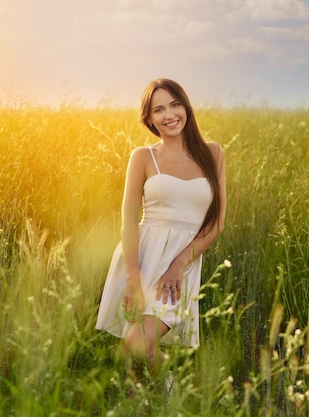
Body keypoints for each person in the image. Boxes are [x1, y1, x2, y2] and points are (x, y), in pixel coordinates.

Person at [95, 78, 226, 387]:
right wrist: (132, 278)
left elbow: (216, 222)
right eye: (159, 109)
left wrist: (180, 264)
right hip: (142, 258)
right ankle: (143, 403)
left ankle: (168, 390)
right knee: (136, 351)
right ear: (149, 119)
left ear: (186, 107)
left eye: (174, 104)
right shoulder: (142, 157)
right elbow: (128, 221)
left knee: (136, 343)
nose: (169, 115)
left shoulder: (213, 153)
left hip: (181, 264)